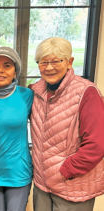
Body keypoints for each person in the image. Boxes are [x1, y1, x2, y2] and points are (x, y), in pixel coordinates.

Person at [30, 37, 104, 211]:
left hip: (73, 186)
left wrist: (65, 171)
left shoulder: (87, 93)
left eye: (56, 61)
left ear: (70, 62)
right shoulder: (36, 91)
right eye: (43, 62)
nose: (49, 67)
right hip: (42, 185)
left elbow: (96, 145)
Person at [0, 47, 33, 211]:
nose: (0, 70)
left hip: (18, 171)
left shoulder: (28, 95)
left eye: (7, 65)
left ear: (15, 72)